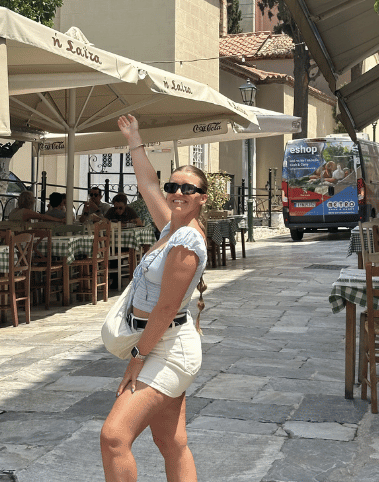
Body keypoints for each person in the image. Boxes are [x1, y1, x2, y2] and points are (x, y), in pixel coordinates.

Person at [100, 114, 208, 482]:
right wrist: (134, 138)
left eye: (188, 189)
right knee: (171, 442)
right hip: (161, 341)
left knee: (114, 437)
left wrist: (137, 358)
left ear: (201, 199)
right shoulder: (171, 225)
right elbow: (147, 181)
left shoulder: (187, 242)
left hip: (167, 348)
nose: (179, 192)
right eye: (174, 186)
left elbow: (165, 308)